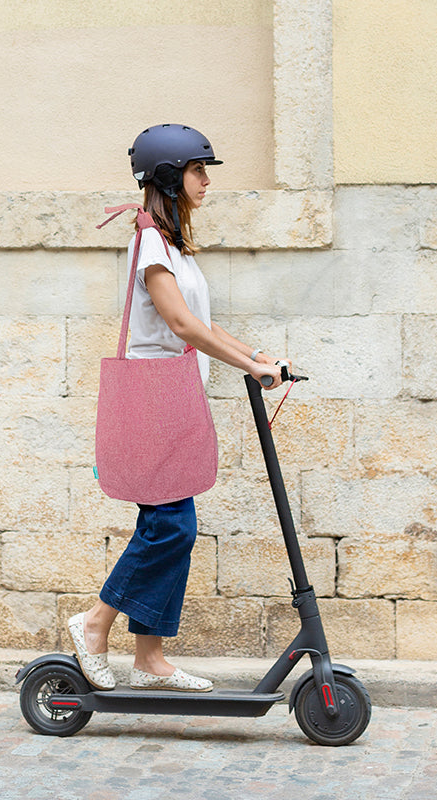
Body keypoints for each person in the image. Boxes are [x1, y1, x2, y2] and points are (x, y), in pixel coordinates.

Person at [70, 123, 290, 692]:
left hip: (176, 398)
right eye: (198, 170)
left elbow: (204, 323)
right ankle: (95, 623)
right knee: (170, 526)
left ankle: (148, 658)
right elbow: (179, 324)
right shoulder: (148, 242)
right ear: (169, 177)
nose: (206, 180)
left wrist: (258, 355)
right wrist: (249, 367)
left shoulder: (170, 244)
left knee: (170, 525)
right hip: (153, 403)